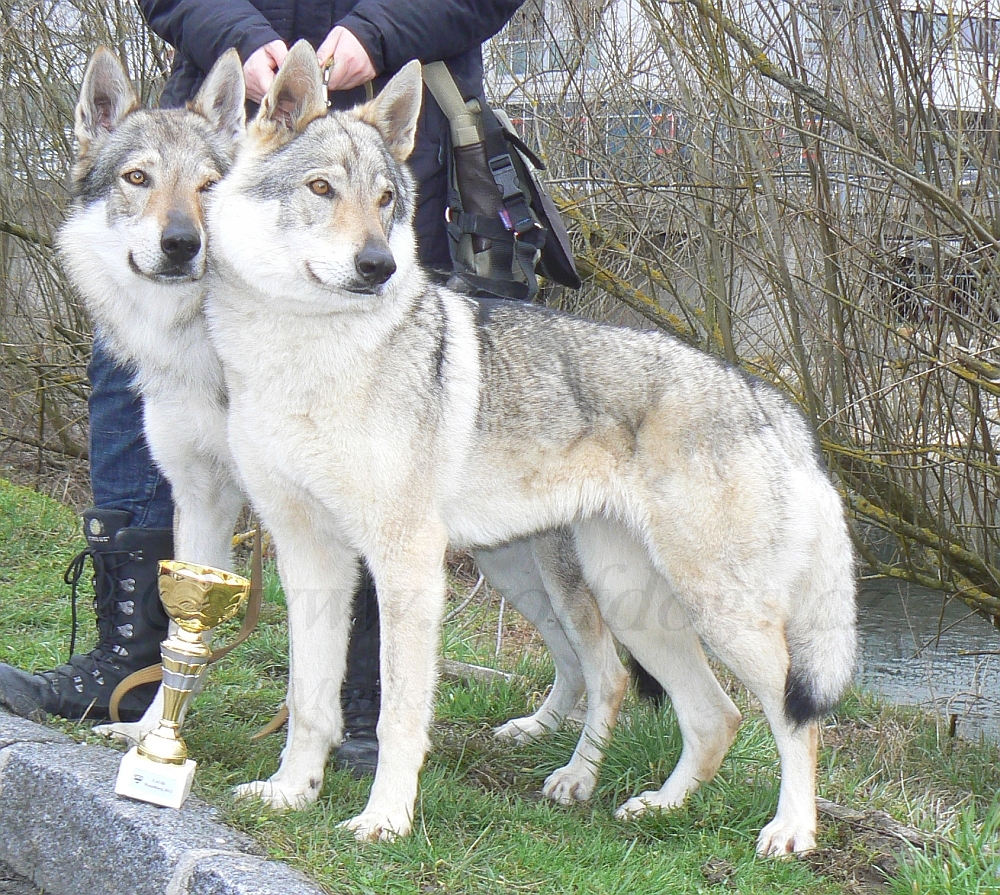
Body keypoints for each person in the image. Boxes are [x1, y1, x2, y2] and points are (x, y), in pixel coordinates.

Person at [0, 0, 524, 777]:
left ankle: (362, 703)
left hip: (383, 144)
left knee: (366, 480)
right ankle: (142, 669)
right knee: (152, 432)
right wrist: (238, 40)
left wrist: (379, 34)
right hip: (230, 112)